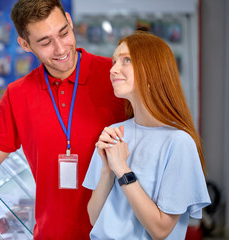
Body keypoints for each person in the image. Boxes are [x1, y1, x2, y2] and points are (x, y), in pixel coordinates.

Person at [0, 0, 126, 239]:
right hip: (52, 234)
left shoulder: (116, 77)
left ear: (70, 22)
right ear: (25, 44)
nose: (61, 48)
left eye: (64, 33)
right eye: (45, 42)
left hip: (116, 233)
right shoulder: (19, 93)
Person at [83, 31, 211, 239]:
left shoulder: (178, 143)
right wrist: (107, 169)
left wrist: (122, 169)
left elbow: (160, 230)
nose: (113, 69)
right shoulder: (114, 133)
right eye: (114, 61)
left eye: (126, 60)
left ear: (152, 70)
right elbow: (94, 218)